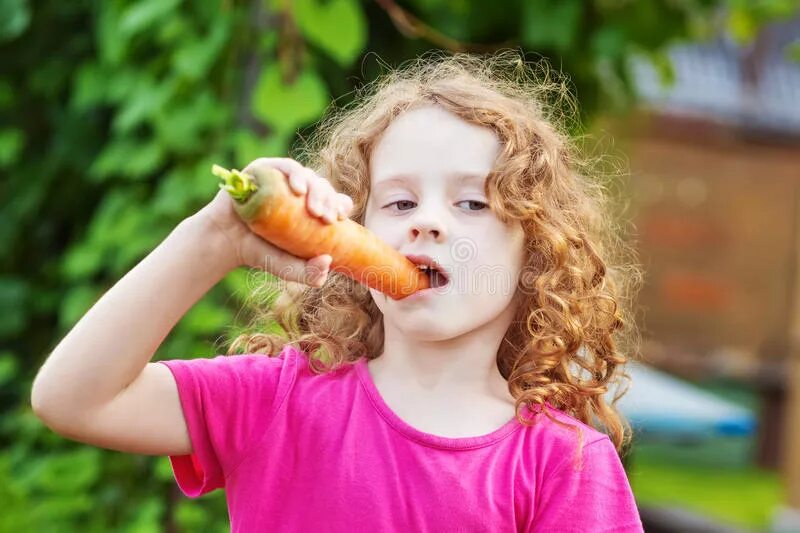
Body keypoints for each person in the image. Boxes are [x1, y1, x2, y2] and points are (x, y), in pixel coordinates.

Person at [31, 50, 645, 531]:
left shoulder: (565, 466)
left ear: (534, 253)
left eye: (472, 202)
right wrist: (214, 239)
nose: (427, 221)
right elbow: (72, 399)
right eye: (400, 200)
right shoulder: (276, 403)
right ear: (357, 230)